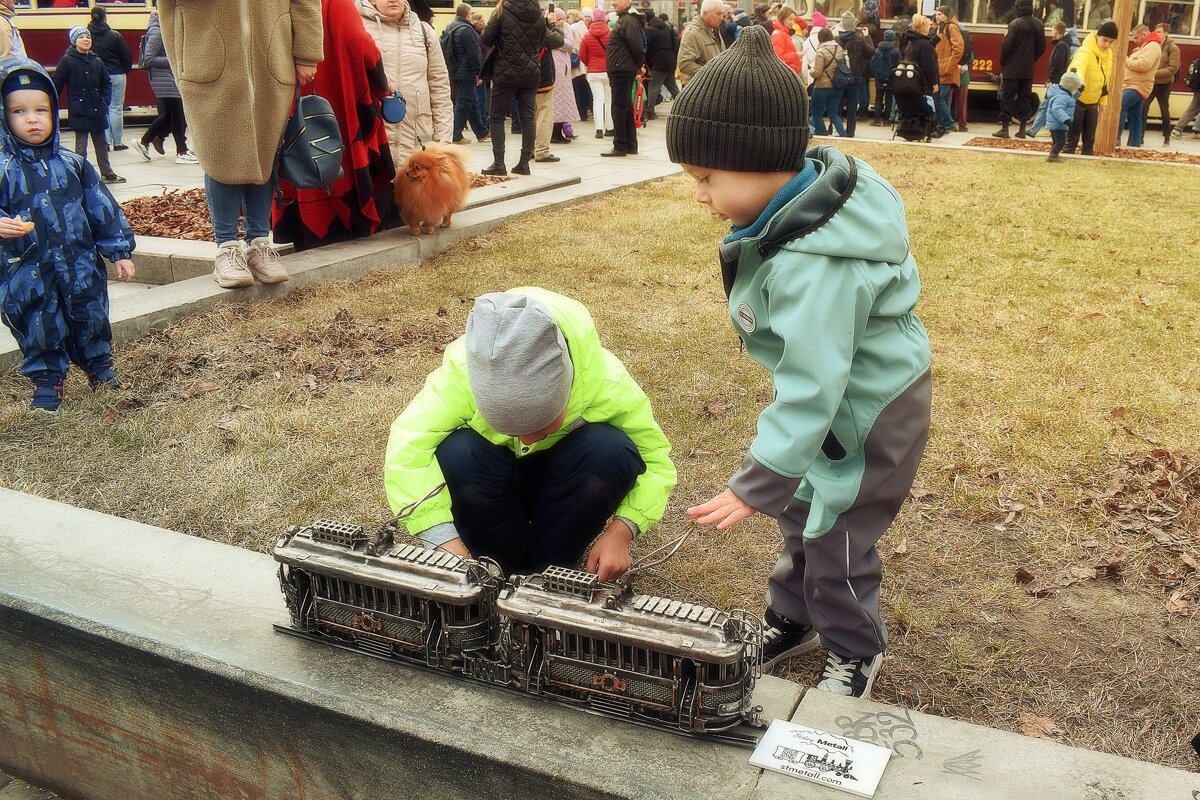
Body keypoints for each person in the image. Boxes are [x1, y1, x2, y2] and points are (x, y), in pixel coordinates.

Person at [665, 27, 931, 699]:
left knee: (837, 533)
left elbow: (815, 388)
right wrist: (783, 477)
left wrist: (756, 480)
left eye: (705, 178)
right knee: (802, 510)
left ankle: (854, 648)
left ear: (756, 160)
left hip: (869, 413)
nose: (699, 196)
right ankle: (794, 618)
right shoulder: (795, 216)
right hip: (834, 407)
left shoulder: (818, 269)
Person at [383, 288, 677, 581]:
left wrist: (621, 532)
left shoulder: (607, 384)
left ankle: (549, 567)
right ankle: (498, 563)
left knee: (611, 449)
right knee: (457, 451)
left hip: (564, 491)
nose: (526, 440)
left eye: (542, 426)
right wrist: (442, 540)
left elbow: (656, 464)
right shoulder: (460, 377)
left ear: (568, 390)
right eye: (510, 429)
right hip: (492, 490)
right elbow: (407, 448)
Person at [0, 60, 136, 413]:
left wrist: (119, 250)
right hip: (28, 269)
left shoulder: (74, 164)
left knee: (91, 313)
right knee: (38, 321)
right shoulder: (3, 169)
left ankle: (99, 365)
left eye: (41, 110)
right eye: (19, 111)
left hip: (80, 265)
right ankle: (47, 379)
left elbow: (101, 209)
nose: (32, 119)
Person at [158, 0, 322, 289]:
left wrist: (307, 51)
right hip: (205, 53)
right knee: (217, 151)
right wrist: (182, 60)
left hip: (270, 53)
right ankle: (226, 247)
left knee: (265, 148)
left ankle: (259, 241)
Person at [273, 0, 395, 251]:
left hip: (285, 95)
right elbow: (357, 41)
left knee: (296, 153)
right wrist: (382, 85)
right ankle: (346, 222)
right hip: (338, 97)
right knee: (339, 157)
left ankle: (303, 228)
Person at [359, 0, 452, 170]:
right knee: (378, 193)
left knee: (411, 194)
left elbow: (440, 86)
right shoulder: (358, 28)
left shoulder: (424, 32)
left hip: (416, 143)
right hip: (372, 141)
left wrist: (443, 138)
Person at [479, 0, 543, 176]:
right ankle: (524, 163)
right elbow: (543, 39)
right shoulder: (538, 12)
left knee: (497, 117)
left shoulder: (501, 10)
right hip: (531, 72)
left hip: (505, 71)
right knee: (528, 117)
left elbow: (486, 38)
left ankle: (499, 163)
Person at [53, 27, 124, 184]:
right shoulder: (68, 60)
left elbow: (106, 82)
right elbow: (57, 83)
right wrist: (51, 104)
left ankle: (107, 172)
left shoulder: (96, 60)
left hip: (97, 108)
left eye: (88, 37)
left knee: (102, 143)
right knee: (81, 145)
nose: (86, 40)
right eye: (81, 37)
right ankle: (79, 173)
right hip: (80, 109)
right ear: (74, 41)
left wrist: (104, 100)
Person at [133, 7, 195, 164]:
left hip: (166, 79)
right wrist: (174, 60)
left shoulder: (162, 30)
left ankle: (145, 141)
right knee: (178, 115)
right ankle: (182, 152)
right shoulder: (157, 31)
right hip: (164, 80)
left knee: (169, 116)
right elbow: (149, 58)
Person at [993, 0, 1046, 138]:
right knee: (1025, 98)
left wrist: (1004, 62)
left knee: (1007, 97)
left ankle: (1005, 129)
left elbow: (1006, 45)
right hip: (1027, 69)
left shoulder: (1015, 24)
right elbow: (1042, 47)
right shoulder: (1039, 25)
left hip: (1012, 68)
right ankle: (1022, 129)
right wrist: (1031, 59)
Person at [1063, 20, 1114, 155]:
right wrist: (1080, 79)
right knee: (1072, 138)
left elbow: (1105, 80)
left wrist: (1103, 101)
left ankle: (1087, 158)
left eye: (1111, 42)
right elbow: (1077, 67)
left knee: (1089, 139)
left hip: (1093, 102)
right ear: (1098, 36)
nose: (1107, 45)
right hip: (1078, 100)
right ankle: (1067, 158)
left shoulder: (1109, 55)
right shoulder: (1085, 51)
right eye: (1105, 40)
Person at [602, 0, 644, 157]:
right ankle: (630, 145)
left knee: (619, 108)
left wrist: (639, 65)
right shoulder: (626, 19)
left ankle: (620, 145)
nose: (612, 3)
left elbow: (637, 46)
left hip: (621, 69)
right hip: (623, 68)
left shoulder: (628, 20)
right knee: (625, 108)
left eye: (616, 0)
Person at [86, 5, 131, 151]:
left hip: (97, 75)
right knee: (116, 108)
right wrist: (124, 70)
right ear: (105, 17)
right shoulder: (114, 35)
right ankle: (117, 142)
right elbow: (126, 56)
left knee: (103, 108)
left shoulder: (87, 36)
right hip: (117, 73)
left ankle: (105, 142)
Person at [444, 3, 489, 145]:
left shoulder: (451, 26)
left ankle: (482, 132)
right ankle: (456, 135)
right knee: (463, 102)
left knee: (472, 101)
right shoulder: (467, 29)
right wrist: (479, 72)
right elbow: (473, 53)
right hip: (466, 72)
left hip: (455, 70)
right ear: (468, 14)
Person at [1118, 25, 1161, 148]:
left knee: (1121, 105)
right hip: (1134, 84)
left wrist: (1125, 60)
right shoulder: (1145, 47)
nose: (1134, 40)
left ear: (1144, 34)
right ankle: (1134, 144)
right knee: (1135, 116)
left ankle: (1115, 137)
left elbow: (1143, 65)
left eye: (1136, 37)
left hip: (1138, 86)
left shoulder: (1152, 46)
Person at [837, 10, 874, 138]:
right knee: (852, 108)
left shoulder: (838, 39)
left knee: (838, 106)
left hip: (840, 78)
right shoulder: (859, 39)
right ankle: (850, 133)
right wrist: (867, 36)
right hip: (855, 78)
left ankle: (839, 130)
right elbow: (871, 52)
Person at [533, 13, 564, 162]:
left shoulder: (511, 22)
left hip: (521, 76)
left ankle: (529, 149)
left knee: (529, 116)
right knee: (544, 114)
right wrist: (553, 24)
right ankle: (542, 150)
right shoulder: (538, 25)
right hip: (541, 76)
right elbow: (558, 41)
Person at [579, 7, 612, 138]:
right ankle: (610, 127)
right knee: (609, 99)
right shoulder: (610, 34)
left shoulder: (587, 35)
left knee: (597, 100)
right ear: (604, 18)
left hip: (593, 72)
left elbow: (582, 55)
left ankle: (599, 129)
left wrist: (590, 64)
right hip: (608, 71)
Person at [1145, 22, 1179, 145]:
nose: (1157, 34)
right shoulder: (1153, 45)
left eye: (1159, 32)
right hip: (1152, 82)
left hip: (1163, 83)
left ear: (1166, 33)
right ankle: (1140, 136)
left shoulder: (1172, 48)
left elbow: (1172, 68)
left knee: (1164, 110)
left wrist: (1154, 72)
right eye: (1156, 32)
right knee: (1144, 108)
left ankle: (1167, 136)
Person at [810, 27, 847, 136]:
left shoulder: (821, 52)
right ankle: (843, 134)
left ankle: (822, 134)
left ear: (820, 38)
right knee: (833, 113)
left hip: (822, 87)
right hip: (837, 86)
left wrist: (811, 70)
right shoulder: (839, 49)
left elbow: (817, 72)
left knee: (817, 113)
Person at [678, 0, 725, 86]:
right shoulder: (692, 33)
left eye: (723, 14)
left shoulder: (715, 30)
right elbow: (684, 64)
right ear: (705, 13)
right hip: (697, 89)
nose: (722, 18)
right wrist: (711, 73)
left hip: (712, 86)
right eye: (718, 14)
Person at [549, 9, 579, 142]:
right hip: (554, 68)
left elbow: (569, 45)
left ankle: (557, 132)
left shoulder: (566, 28)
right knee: (556, 101)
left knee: (563, 100)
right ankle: (554, 133)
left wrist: (557, 42)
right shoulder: (550, 28)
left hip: (563, 69)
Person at [932, 5, 963, 137]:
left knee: (940, 98)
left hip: (945, 69)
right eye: (936, 14)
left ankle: (948, 124)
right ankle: (945, 124)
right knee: (941, 98)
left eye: (939, 14)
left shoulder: (951, 27)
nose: (937, 17)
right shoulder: (942, 27)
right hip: (941, 68)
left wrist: (948, 66)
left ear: (946, 15)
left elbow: (958, 49)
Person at [644, 10, 680, 119]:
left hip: (658, 63)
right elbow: (675, 43)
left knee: (653, 88)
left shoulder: (650, 30)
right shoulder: (667, 28)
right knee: (673, 88)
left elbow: (646, 48)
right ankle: (684, 107)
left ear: (647, 20)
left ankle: (650, 111)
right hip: (669, 61)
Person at [1043, 69, 1082, 161]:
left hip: (1056, 124)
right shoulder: (1062, 97)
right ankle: (1053, 155)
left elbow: (1072, 99)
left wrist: (1079, 91)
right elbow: (1057, 109)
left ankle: (1054, 154)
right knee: (1061, 142)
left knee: (1056, 141)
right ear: (1070, 88)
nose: (1076, 91)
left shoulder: (1064, 94)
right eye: (1075, 89)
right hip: (1058, 124)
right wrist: (1066, 120)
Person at [870, 29, 900, 124]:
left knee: (878, 97)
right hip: (891, 78)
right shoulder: (896, 51)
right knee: (889, 98)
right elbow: (899, 64)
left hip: (879, 77)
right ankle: (886, 119)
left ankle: (877, 119)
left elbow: (873, 63)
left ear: (884, 37)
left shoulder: (878, 49)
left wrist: (875, 74)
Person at [771, 5, 803, 74]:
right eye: (790, 19)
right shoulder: (779, 34)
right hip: (786, 74)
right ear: (782, 19)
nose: (792, 22)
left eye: (793, 19)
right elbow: (779, 59)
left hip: (788, 73)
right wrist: (796, 55)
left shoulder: (784, 33)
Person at [1046, 20, 1071, 86]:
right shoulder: (1064, 44)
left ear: (1056, 31)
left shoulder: (1061, 46)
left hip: (1055, 81)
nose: (1051, 32)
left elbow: (1057, 65)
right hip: (1059, 80)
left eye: (1052, 30)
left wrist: (1050, 80)